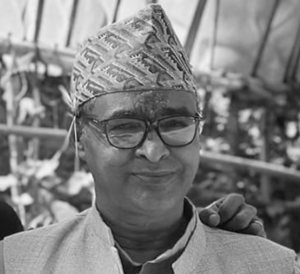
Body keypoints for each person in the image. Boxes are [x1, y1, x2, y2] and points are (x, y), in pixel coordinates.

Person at [0, 4, 298, 273]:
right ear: (81, 138)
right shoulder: (18, 262)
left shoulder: (272, 266)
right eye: (124, 127)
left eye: (175, 124)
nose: (154, 151)